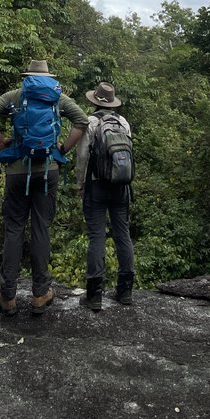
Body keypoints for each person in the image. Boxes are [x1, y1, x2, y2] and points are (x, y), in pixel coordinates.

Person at [0, 60, 88, 317]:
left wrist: (0, 141)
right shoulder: (58, 98)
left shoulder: (15, 96)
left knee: (14, 228)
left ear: (27, 76)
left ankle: (7, 296)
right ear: (48, 77)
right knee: (41, 227)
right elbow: (82, 121)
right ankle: (40, 293)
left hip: (17, 171)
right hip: (48, 170)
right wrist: (63, 148)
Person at [76, 81, 135, 311]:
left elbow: (83, 157)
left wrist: (80, 185)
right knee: (123, 234)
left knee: (97, 237)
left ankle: (94, 295)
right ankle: (125, 291)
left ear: (94, 101)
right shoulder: (123, 122)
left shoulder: (90, 123)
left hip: (96, 186)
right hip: (121, 187)